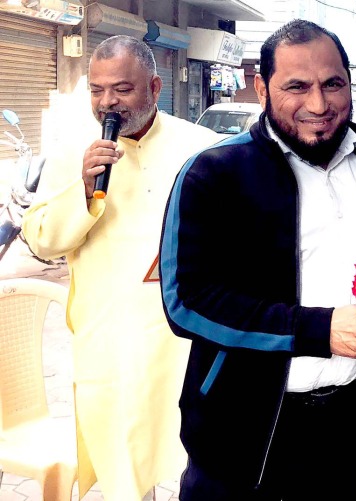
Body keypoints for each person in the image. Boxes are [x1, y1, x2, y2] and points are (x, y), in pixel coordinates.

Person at [159, 19, 356, 501]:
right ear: (262, 88)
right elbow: (186, 302)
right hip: (243, 428)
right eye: (296, 87)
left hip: (348, 425)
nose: (318, 105)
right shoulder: (215, 173)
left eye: (333, 84)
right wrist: (320, 330)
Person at [21, 35, 217, 501]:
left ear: (154, 86)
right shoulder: (73, 152)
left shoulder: (201, 147)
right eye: (97, 90)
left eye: (122, 89)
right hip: (111, 340)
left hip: (182, 336)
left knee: (192, 453)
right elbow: (43, 240)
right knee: (123, 468)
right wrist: (83, 189)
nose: (107, 102)